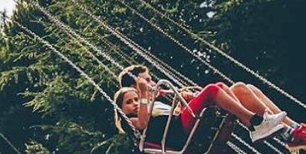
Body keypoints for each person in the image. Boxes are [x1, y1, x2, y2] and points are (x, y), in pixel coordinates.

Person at [114, 69, 306, 149]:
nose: (152, 83)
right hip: (183, 134)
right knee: (214, 89)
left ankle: (291, 130)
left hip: (190, 122)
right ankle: (255, 123)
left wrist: (184, 98)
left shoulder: (161, 101)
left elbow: (179, 112)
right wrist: (145, 96)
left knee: (242, 87)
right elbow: (146, 123)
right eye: (146, 81)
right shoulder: (138, 116)